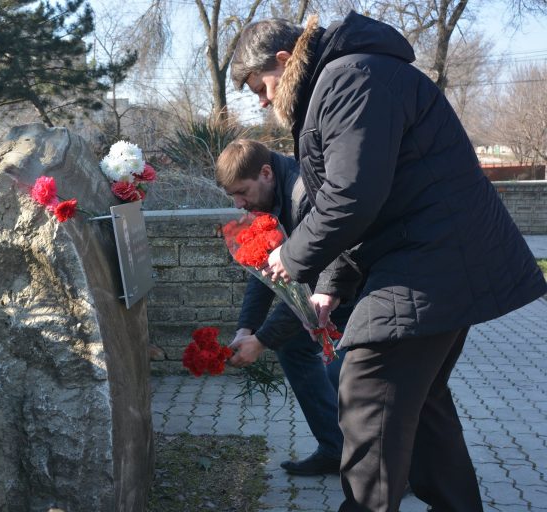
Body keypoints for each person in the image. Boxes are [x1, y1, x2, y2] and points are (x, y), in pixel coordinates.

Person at [229, 11, 547, 512]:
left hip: (430, 260)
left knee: (366, 392)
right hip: (430, 258)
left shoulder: (350, 78)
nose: (263, 101)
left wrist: (292, 255)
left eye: (260, 87)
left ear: (284, 61)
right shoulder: (344, 78)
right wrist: (331, 282)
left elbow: (353, 197)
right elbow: (365, 198)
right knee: (421, 409)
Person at [216, 138, 356, 476]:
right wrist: (246, 329)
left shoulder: (303, 194)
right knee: (293, 347)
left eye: (242, 192)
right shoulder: (267, 199)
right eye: (232, 195)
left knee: (353, 376)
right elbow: (265, 272)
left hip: (357, 281)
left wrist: (262, 340)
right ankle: (335, 448)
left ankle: (402, 467)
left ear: (266, 173)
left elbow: (318, 279)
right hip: (328, 285)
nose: (238, 203)